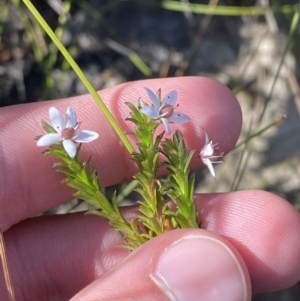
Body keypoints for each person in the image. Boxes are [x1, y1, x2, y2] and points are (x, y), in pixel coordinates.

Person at [0, 77, 299, 301]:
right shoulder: (67, 139)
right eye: (64, 130)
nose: (68, 130)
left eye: (167, 111)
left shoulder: (161, 120)